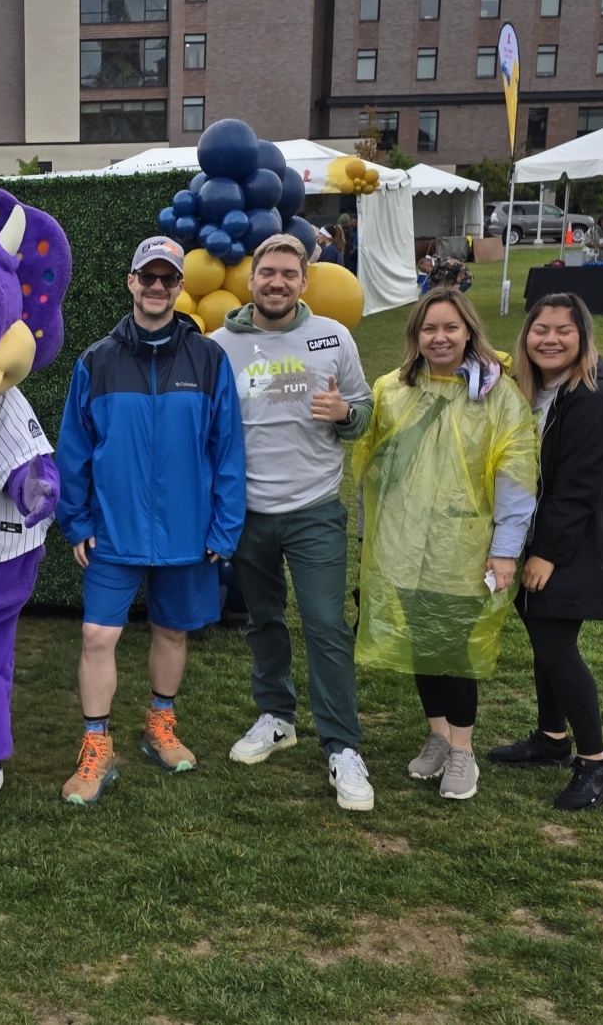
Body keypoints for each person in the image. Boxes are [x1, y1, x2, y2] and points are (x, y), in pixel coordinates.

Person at [54, 236, 246, 805]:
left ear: (180, 286)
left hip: (189, 531)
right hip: (113, 530)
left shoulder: (209, 359)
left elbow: (228, 449)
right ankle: (96, 744)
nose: (157, 287)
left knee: (172, 631)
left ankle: (159, 724)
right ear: (131, 282)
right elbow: (74, 450)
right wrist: (77, 519)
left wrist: (224, 527)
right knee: (96, 635)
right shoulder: (96, 360)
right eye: (148, 277)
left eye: (168, 278)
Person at [210, 235, 377, 812]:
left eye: (288, 273)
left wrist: (346, 414)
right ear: (251, 280)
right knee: (263, 620)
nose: (276, 282)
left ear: (304, 282)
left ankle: (342, 745)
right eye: (267, 273)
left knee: (326, 625)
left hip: (314, 510)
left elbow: (363, 413)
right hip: (248, 513)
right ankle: (277, 716)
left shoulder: (333, 337)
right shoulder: (219, 345)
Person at [353, 287, 536, 802]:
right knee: (421, 647)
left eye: (450, 328)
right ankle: (437, 735)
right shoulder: (392, 389)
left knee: (453, 650)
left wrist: (505, 549)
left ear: (469, 332)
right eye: (429, 329)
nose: (439, 337)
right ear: (415, 336)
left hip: (463, 546)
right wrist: (373, 540)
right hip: (404, 546)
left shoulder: (497, 396)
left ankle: (463, 750)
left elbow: (517, 478)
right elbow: (374, 468)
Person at [489, 294, 603, 810]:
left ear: (583, 337)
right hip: (542, 533)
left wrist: (546, 553)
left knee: (555, 644)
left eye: (563, 331)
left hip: (574, 540)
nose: (549, 339)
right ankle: (552, 739)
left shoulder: (594, 397)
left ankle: (597, 762)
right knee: (541, 633)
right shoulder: (540, 388)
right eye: (539, 329)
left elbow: (578, 487)